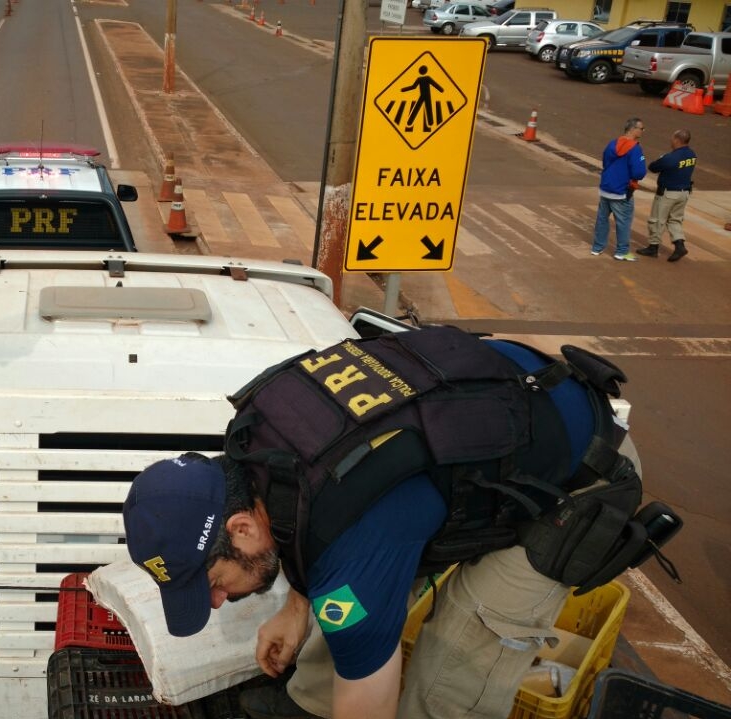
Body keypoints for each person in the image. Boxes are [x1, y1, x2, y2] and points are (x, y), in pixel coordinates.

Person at [123, 328, 663, 719]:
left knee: (455, 660)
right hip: (477, 439)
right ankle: (311, 705)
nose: (217, 601)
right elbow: (311, 527)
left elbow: (370, 705)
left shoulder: (349, 545)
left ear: (240, 528)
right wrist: (296, 609)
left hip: (576, 470)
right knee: (349, 607)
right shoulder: (254, 445)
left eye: (213, 583)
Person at [591, 117, 647, 262]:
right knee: (623, 222)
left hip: (606, 188)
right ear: (633, 129)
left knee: (602, 220)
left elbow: (605, 162)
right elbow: (639, 173)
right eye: (641, 128)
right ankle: (621, 251)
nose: (642, 131)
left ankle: (597, 247)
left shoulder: (612, 144)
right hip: (622, 192)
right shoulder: (635, 148)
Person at [639, 129, 696, 262]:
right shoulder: (692, 154)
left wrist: (661, 159)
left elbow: (653, 167)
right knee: (675, 220)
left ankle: (653, 247)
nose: (671, 140)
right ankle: (679, 245)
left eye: (672, 138)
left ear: (677, 140)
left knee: (657, 220)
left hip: (668, 193)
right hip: (684, 193)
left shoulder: (671, 158)